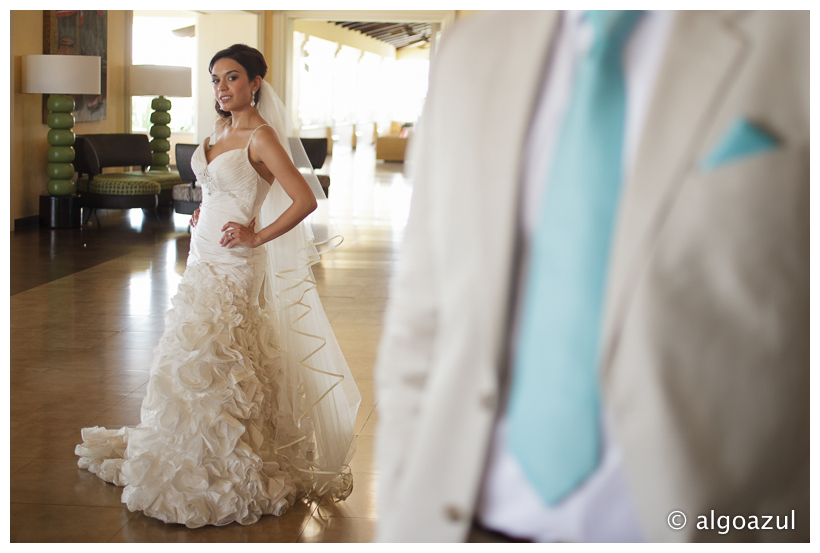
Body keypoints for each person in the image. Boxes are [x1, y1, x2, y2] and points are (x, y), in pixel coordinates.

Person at [375, 10, 808, 542]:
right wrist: (399, 511)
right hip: (465, 523)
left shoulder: (794, 31)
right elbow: (422, 317)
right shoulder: (473, 49)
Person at [76, 44, 361, 528]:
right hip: (203, 253)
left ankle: (227, 455)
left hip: (234, 260)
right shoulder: (219, 130)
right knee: (190, 348)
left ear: (255, 82)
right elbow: (215, 187)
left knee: (218, 350)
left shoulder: (262, 136)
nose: (222, 87)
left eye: (231, 78)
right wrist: (205, 212)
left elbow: (303, 200)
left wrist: (256, 235)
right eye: (215, 79)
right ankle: (186, 440)